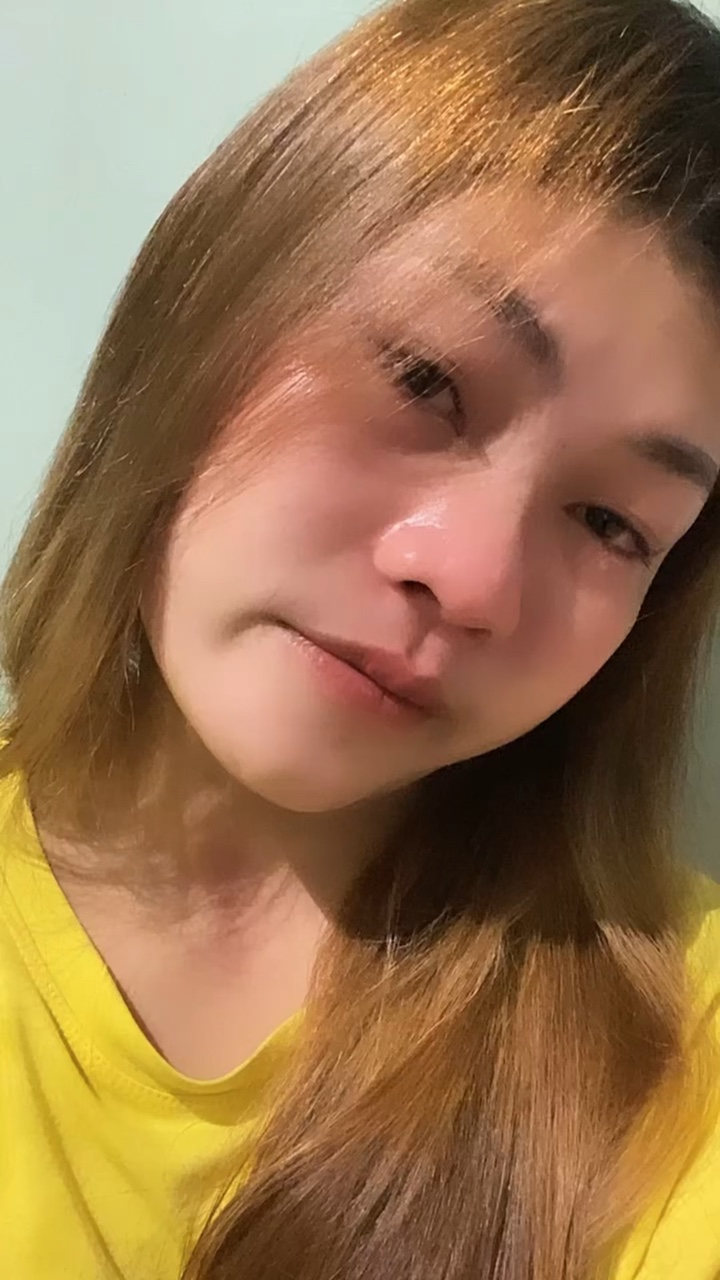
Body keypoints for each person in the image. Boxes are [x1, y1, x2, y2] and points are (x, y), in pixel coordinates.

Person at [2, 0, 720, 1276]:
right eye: (424, 378)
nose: (473, 577)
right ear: (213, 294)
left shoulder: (682, 1050)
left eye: (612, 522)